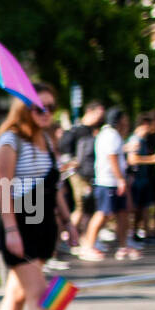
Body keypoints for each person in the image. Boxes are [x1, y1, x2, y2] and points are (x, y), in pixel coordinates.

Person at [0, 84, 84, 310]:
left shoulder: (47, 142)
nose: (46, 113)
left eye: (51, 107)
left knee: (17, 294)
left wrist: (68, 221)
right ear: (24, 107)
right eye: (40, 107)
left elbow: (54, 189)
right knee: (41, 295)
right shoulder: (10, 140)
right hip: (19, 226)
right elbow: (2, 186)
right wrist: (11, 229)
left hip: (42, 228)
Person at [84, 108, 134, 260]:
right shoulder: (111, 135)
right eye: (124, 119)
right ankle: (88, 246)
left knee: (122, 213)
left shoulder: (109, 134)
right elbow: (112, 158)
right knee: (102, 214)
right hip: (108, 181)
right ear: (118, 120)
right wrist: (120, 179)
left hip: (110, 180)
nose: (127, 122)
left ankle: (123, 246)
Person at [60, 101, 104, 261]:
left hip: (86, 173)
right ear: (90, 112)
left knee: (86, 207)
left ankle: (79, 237)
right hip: (77, 173)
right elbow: (64, 148)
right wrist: (71, 162)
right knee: (80, 206)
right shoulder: (77, 130)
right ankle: (69, 236)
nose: (100, 118)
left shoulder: (88, 130)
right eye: (98, 114)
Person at [125, 113, 155, 248]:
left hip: (142, 180)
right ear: (145, 125)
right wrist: (153, 159)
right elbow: (133, 159)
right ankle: (131, 235)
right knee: (135, 209)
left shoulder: (142, 140)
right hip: (136, 180)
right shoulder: (136, 140)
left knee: (142, 208)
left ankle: (139, 234)